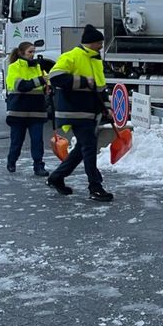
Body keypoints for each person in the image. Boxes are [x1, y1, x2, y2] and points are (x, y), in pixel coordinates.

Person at [45, 25, 114, 202]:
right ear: (91, 43)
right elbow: (55, 76)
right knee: (89, 147)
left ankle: (56, 177)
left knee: (81, 150)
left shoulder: (95, 60)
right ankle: (95, 187)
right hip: (75, 112)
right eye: (99, 43)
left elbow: (100, 88)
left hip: (89, 112)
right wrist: (82, 81)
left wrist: (107, 107)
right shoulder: (72, 56)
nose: (101, 46)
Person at [4, 41, 49, 176]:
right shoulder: (14, 67)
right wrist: (40, 80)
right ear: (21, 52)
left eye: (33, 52)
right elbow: (20, 86)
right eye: (30, 52)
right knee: (17, 141)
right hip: (18, 111)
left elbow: (46, 81)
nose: (32, 55)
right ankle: (12, 161)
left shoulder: (38, 67)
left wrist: (47, 86)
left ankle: (38, 166)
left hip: (36, 111)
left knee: (37, 141)